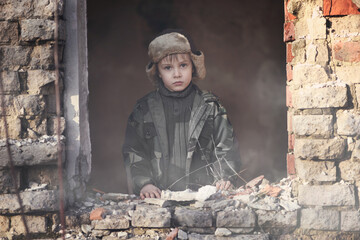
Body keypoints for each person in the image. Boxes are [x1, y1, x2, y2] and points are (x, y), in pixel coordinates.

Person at [122, 30, 240, 199]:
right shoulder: (144, 109)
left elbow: (226, 146)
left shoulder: (210, 105)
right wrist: (145, 183)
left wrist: (224, 177)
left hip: (204, 196)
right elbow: (134, 150)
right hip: (159, 196)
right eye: (168, 68)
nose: (177, 74)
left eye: (183, 65)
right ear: (158, 72)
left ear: (193, 67)